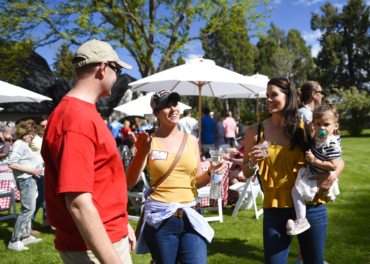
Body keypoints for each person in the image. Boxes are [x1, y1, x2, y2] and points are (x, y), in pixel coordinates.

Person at [41, 39, 135, 264]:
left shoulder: (84, 113)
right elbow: (79, 203)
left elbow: (102, 181)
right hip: (91, 246)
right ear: (103, 68)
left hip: (104, 236)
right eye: (117, 69)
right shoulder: (76, 119)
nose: (118, 76)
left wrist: (122, 223)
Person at [242, 76, 344, 263]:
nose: (269, 100)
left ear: (288, 96)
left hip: (311, 205)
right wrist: (252, 163)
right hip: (275, 208)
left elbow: (338, 160)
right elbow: (246, 172)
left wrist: (332, 175)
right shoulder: (255, 131)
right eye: (267, 96)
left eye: (274, 95)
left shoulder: (306, 128)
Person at [128, 89, 224, 263]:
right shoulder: (149, 141)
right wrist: (141, 154)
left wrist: (210, 173)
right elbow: (129, 181)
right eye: (166, 106)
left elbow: (197, 182)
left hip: (191, 216)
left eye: (175, 104)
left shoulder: (192, 140)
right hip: (161, 220)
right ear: (156, 113)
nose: (173, 109)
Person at [288, 104, 342, 236]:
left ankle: (301, 219)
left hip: (318, 175)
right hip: (313, 171)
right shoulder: (321, 138)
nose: (321, 128)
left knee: (296, 191)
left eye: (326, 124)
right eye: (318, 124)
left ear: (335, 126)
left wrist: (314, 161)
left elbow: (334, 165)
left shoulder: (331, 143)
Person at [8, 120, 42, 251]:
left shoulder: (23, 144)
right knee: (27, 210)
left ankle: (26, 236)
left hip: (29, 179)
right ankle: (14, 240)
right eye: (32, 134)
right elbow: (11, 163)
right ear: (24, 134)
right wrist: (32, 170)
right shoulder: (19, 144)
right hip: (26, 180)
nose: (33, 137)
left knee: (29, 209)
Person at [29, 115, 53, 231]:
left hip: (48, 170)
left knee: (47, 196)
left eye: (47, 125)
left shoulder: (50, 137)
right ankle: (29, 222)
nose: (45, 128)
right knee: (42, 196)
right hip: (36, 171)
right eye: (42, 126)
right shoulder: (33, 138)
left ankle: (46, 221)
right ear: (38, 126)